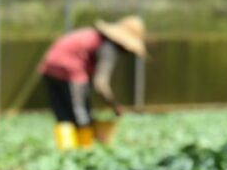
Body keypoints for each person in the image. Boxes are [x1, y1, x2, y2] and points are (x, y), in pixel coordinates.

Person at [37, 15, 146, 149]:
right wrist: (114, 105)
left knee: (63, 114)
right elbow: (100, 84)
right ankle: (85, 151)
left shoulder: (93, 36)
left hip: (49, 67)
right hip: (71, 70)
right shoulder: (108, 47)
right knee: (81, 113)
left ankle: (66, 153)